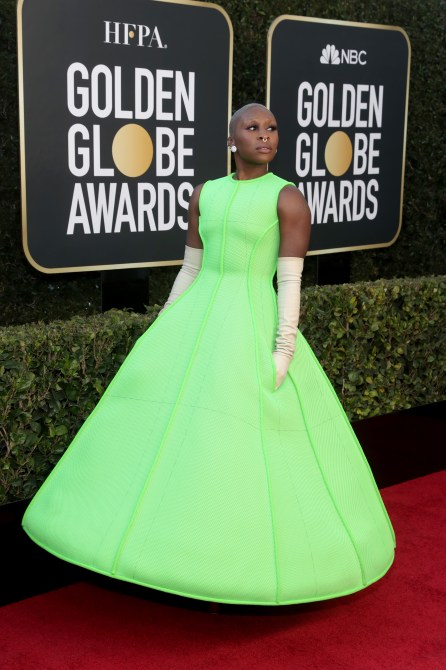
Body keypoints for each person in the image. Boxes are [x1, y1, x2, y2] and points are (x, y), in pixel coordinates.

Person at [23, 103, 395, 606]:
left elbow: (290, 279)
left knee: (238, 438)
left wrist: (284, 345)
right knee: (172, 433)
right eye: (252, 127)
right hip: (194, 319)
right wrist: (165, 320)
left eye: (272, 127)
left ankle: (235, 558)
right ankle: (147, 542)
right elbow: (191, 268)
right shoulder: (206, 193)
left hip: (250, 321)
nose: (264, 135)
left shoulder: (287, 197)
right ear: (231, 139)